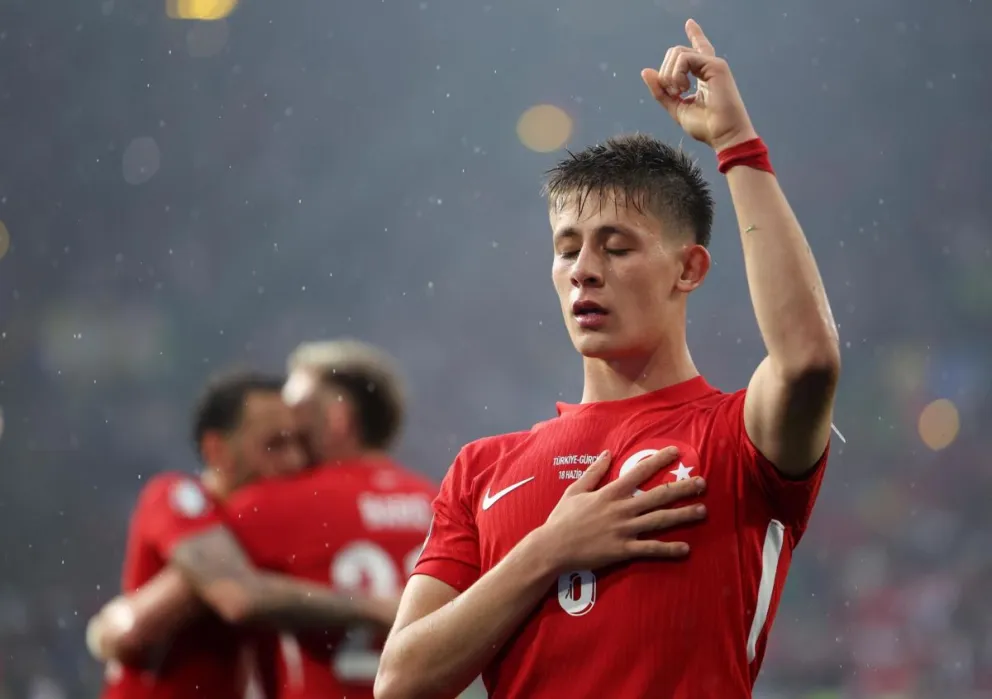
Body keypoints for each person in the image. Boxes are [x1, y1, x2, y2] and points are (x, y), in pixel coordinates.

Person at [375, 18, 840, 699]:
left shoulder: (739, 438)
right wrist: (550, 548)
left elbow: (807, 361)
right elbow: (401, 681)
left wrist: (738, 145)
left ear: (689, 269)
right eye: (567, 248)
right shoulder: (482, 469)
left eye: (616, 247)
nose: (582, 271)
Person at [89, 370, 393, 699]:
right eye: (274, 445)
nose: (294, 460)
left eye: (297, 442)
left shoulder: (274, 526)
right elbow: (237, 597)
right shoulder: (178, 496)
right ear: (217, 451)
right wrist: (376, 609)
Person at [217, 339, 438, 699]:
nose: (284, 422)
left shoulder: (270, 504)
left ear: (337, 418)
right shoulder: (439, 501)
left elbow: (196, 594)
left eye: (296, 409)